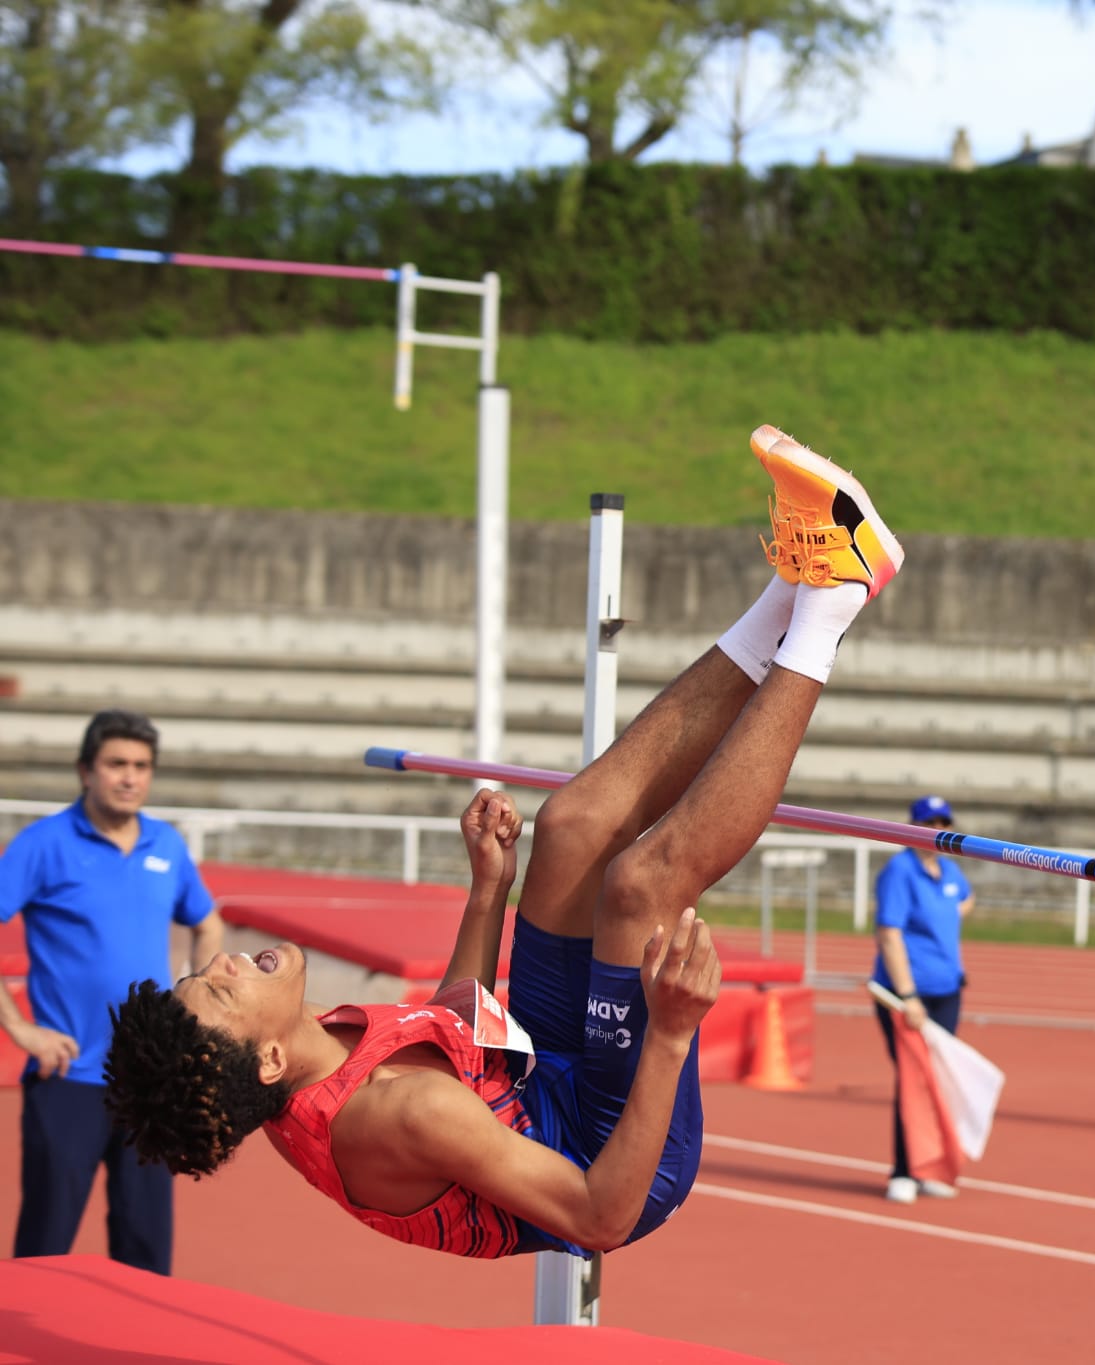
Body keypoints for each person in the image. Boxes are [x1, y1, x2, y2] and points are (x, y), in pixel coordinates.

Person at [102, 424, 905, 1260]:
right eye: (221, 992)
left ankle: (795, 582)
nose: (223, 962)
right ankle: (836, 597)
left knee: (572, 825)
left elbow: (454, 1035)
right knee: (636, 887)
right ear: (267, 1059)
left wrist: (489, 889)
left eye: (203, 971)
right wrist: (667, 1034)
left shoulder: (311, 1048)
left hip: (531, 1068)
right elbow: (598, 1219)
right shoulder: (395, 1115)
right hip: (611, 1154)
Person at [0, 708, 224, 1274]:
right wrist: (22, 1029)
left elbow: (207, 922)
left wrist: (195, 999)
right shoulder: (43, 844)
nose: (130, 777)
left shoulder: (166, 845)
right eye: (116, 764)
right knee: (44, 1249)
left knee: (146, 1251)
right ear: (85, 770)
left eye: (142, 766)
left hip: (148, 1080)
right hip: (67, 1078)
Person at [870, 794, 975, 1204]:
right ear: (912, 827)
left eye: (943, 822)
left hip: (947, 990)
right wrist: (908, 994)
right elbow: (889, 933)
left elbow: (965, 899)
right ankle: (903, 1170)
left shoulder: (949, 870)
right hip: (906, 996)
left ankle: (930, 1165)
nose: (937, 830)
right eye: (928, 823)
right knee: (914, 1081)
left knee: (938, 1083)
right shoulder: (900, 871)